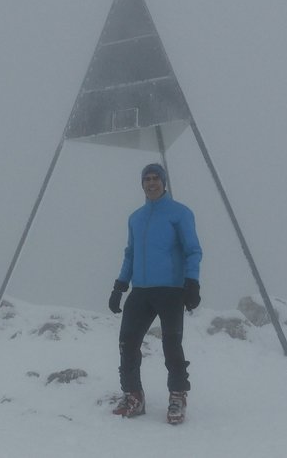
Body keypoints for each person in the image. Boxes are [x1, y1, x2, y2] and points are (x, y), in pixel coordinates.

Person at [109, 163, 202, 424]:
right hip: (141, 290)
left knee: (171, 344)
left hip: (171, 290)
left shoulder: (179, 213)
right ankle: (133, 396)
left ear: (164, 182)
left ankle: (177, 396)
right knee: (127, 342)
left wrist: (192, 282)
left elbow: (192, 250)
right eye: (147, 179)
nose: (151, 183)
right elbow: (131, 253)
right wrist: (119, 286)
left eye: (155, 178)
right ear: (142, 184)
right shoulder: (136, 218)